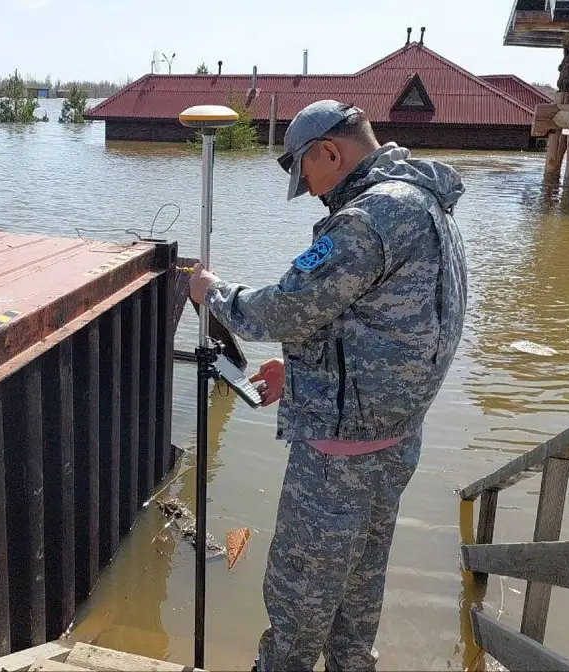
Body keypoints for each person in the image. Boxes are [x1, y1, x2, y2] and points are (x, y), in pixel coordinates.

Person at [187, 99, 468, 671]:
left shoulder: (367, 218)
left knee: (299, 596)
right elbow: (398, 325)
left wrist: (212, 294)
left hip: (341, 457)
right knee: (358, 592)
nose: (310, 190)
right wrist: (305, 373)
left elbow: (285, 312)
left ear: (330, 151)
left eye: (306, 172)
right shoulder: (426, 200)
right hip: (394, 441)